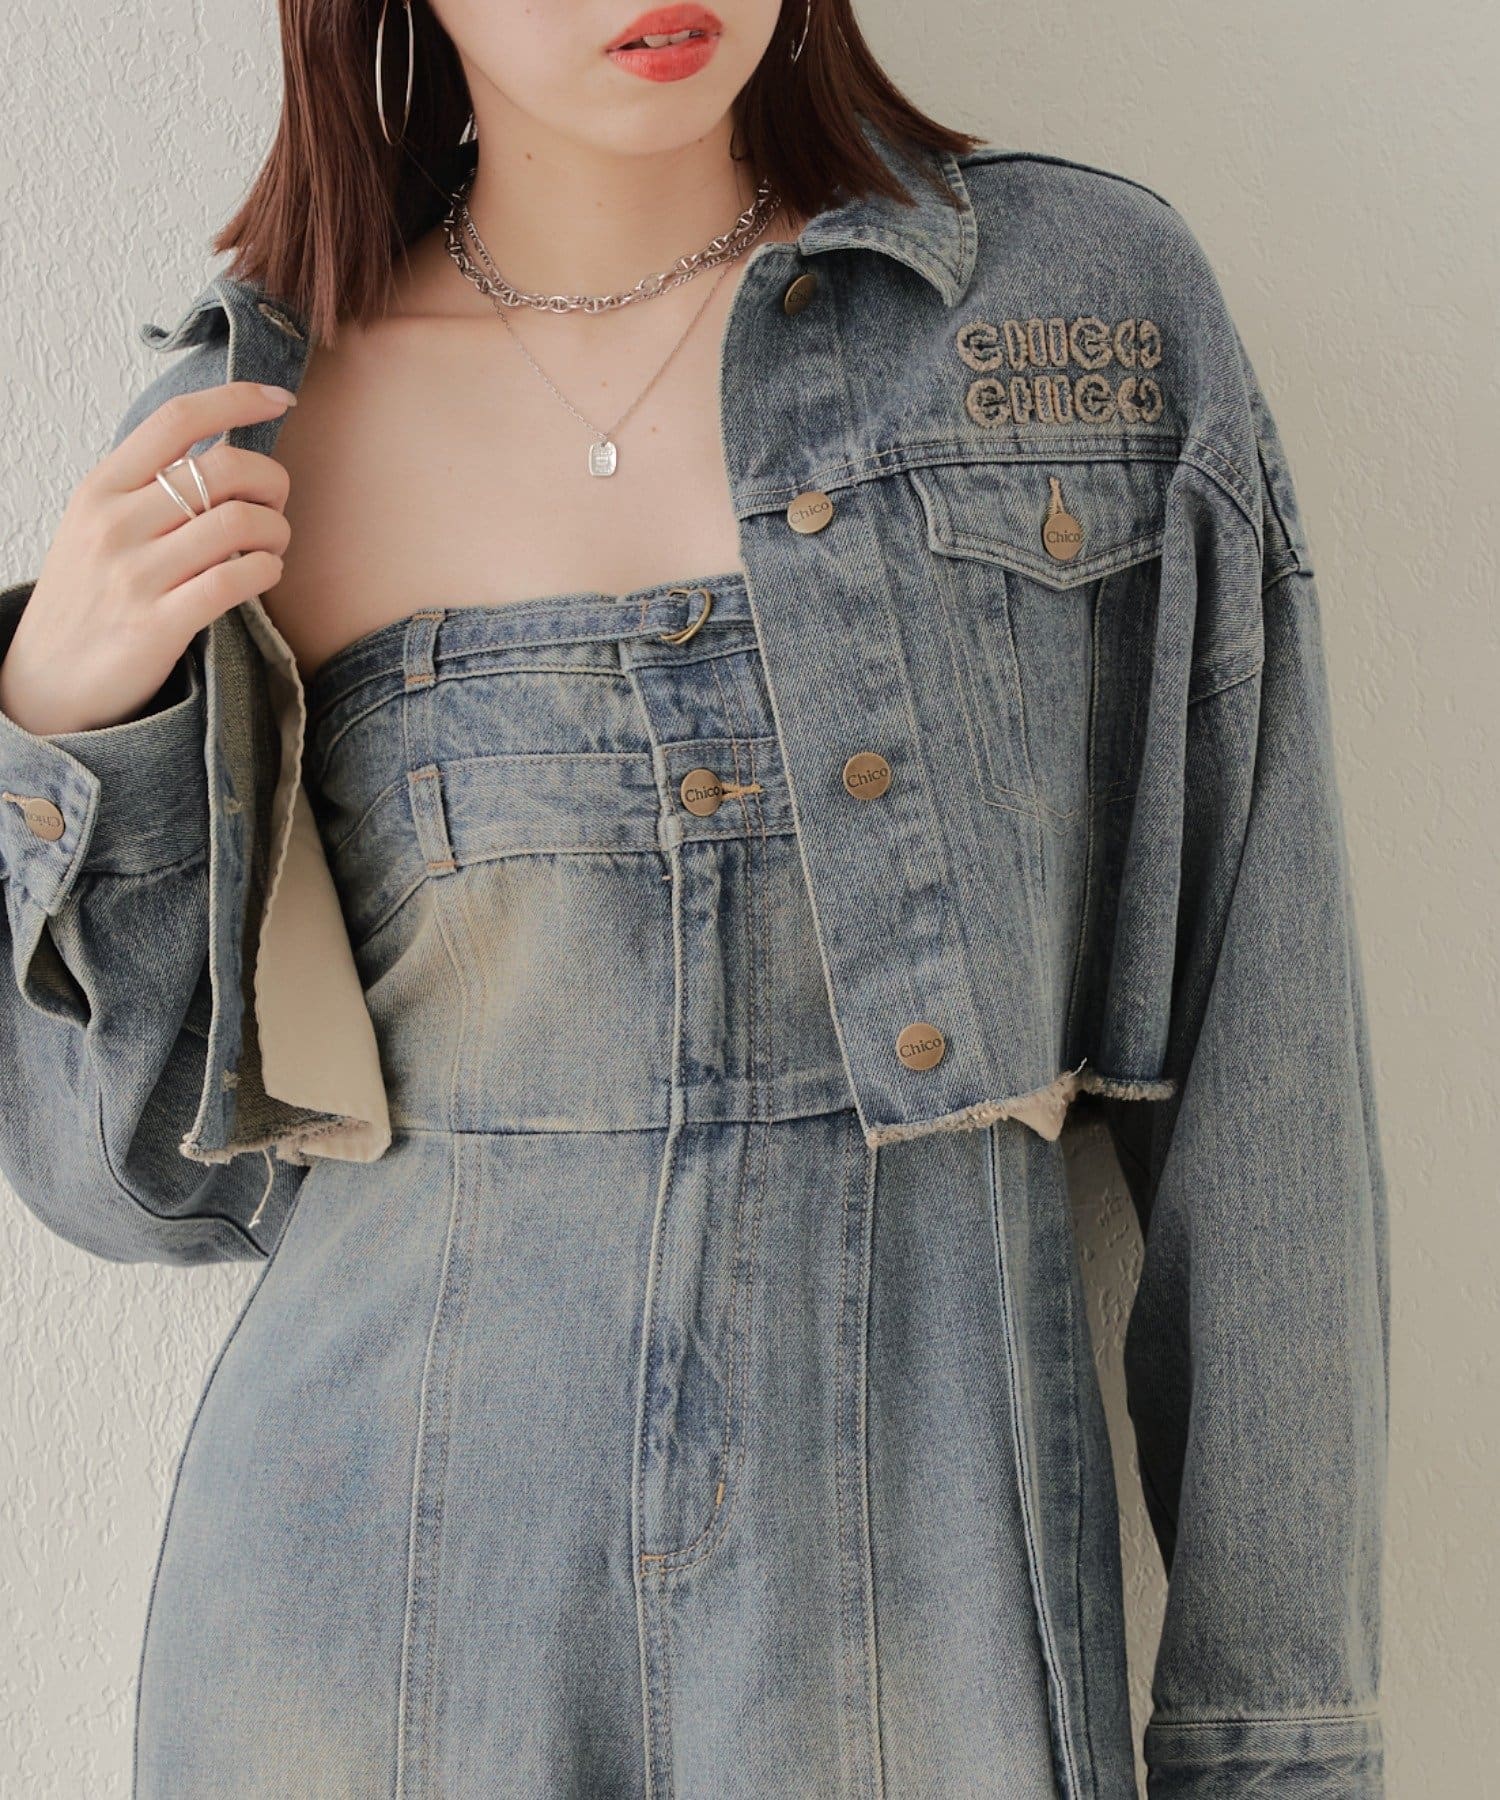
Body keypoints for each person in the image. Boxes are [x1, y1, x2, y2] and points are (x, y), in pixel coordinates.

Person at [0, 0, 1390, 1794]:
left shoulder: (1079, 317)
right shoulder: (253, 426)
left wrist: (1278, 1748)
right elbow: (136, 1187)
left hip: (920, 1628)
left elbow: (1270, 1109)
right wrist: (67, 727)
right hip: (379, 1642)